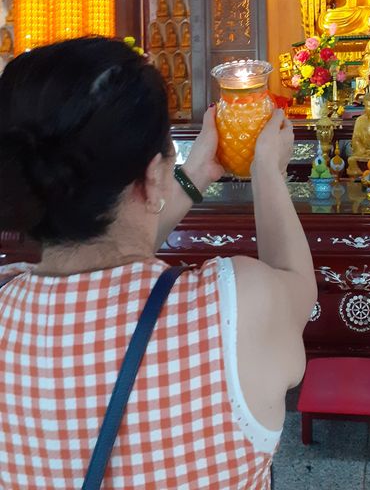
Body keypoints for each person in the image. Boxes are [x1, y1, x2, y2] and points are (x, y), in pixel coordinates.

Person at [0, 37, 316, 489]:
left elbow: (115, 246)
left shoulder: (6, 295)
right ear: (153, 173)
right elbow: (298, 290)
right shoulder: (231, 309)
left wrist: (196, 174)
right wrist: (267, 170)